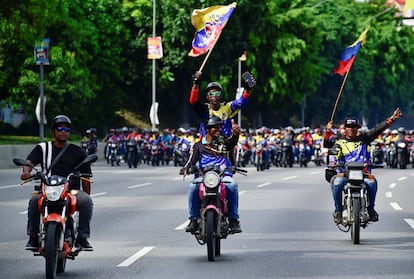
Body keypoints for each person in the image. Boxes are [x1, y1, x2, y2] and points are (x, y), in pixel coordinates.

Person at [21, 115, 94, 251]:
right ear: (54, 130)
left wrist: (86, 194)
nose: (63, 131)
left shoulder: (77, 151)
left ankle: (82, 237)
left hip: (71, 190)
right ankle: (33, 237)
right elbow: (29, 161)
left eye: (67, 129)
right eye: (60, 128)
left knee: (86, 201)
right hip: (47, 189)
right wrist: (26, 172)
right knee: (33, 201)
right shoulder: (43, 148)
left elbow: (86, 175)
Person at [330, 108, 403, 224]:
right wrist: (333, 163)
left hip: (363, 172)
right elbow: (334, 153)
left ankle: (371, 209)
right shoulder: (339, 142)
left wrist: (392, 119)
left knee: (372, 183)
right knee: (337, 183)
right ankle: (338, 211)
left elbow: (378, 129)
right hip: (345, 172)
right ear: (345, 129)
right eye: (348, 127)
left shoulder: (365, 139)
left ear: (357, 129)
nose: (351, 129)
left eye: (353, 127)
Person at [182, 116, 242, 233]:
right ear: (208, 129)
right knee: (193, 187)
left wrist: (236, 134)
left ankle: (233, 219)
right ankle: (193, 219)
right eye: (215, 127)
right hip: (204, 176)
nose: (219, 130)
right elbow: (191, 161)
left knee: (232, 185)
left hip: (222, 176)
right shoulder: (198, 145)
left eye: (220, 127)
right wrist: (187, 168)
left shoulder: (224, 142)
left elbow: (232, 142)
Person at [189, 70, 255, 138]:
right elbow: (193, 101)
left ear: (221, 96)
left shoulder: (227, 107)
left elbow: (241, 103)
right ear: (207, 97)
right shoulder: (204, 110)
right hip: (207, 146)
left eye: (217, 93)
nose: (214, 96)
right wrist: (196, 84)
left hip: (224, 145)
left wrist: (247, 90)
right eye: (211, 94)